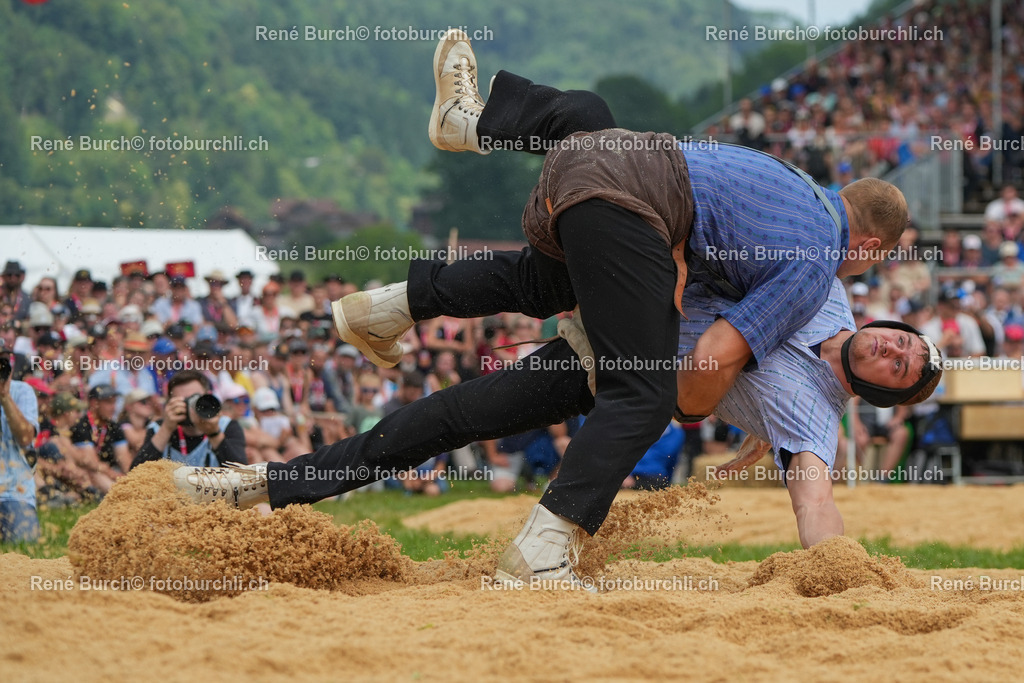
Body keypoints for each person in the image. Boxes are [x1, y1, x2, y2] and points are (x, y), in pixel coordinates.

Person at [172, 31, 920, 587]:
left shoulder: (814, 406)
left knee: (473, 390)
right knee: (648, 393)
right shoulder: (824, 281)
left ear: (882, 395)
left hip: (600, 203)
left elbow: (814, 500)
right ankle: (542, 548)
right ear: (871, 253)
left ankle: (273, 472)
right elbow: (701, 375)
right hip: (635, 225)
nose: (893, 352)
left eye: (903, 369)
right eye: (904, 343)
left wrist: (836, 561)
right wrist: (688, 304)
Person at [130, 369, 246, 469]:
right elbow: (135, 474)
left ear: (208, 396)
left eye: (195, 399)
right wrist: (166, 428)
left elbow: (242, 473)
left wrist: (214, 433)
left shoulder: (226, 426)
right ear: (170, 402)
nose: (191, 407)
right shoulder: (158, 429)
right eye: (182, 401)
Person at [0, 341, 39, 543]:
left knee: (25, 542)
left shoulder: (22, 391)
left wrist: (5, 397)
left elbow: (25, 438)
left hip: (15, 492)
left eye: (3, 361)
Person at [69, 384, 131, 491]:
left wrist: (131, 478)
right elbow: (93, 463)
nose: (113, 407)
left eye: (114, 402)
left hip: (111, 472)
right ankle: (120, 495)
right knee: (94, 473)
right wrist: (118, 478)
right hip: (90, 472)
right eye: (108, 402)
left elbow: (125, 462)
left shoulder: (114, 427)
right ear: (94, 403)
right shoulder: (81, 426)